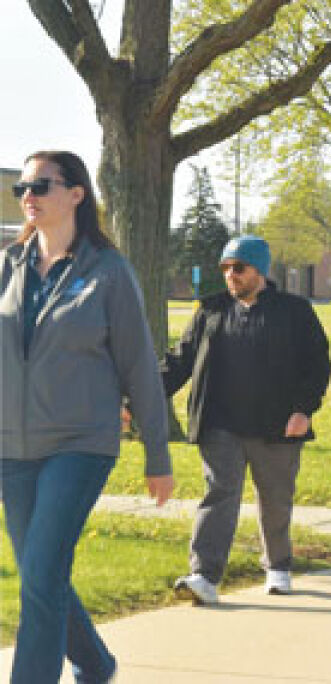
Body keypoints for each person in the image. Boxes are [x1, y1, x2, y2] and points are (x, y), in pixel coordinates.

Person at [1, 150, 174, 682]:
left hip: (80, 444)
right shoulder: (9, 264)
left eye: (42, 185)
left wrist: (158, 455)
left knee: (42, 574)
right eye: (22, 188)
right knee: (39, 574)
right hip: (11, 448)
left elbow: (139, 365)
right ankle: (96, 663)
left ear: (77, 194)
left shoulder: (108, 272)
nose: (29, 195)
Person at [162, 235, 331, 605]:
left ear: (260, 270)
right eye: (225, 268)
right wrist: (140, 399)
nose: (230, 275)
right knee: (220, 493)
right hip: (220, 424)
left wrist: (304, 410)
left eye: (239, 268)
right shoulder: (211, 311)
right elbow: (180, 361)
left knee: (275, 498)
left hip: (278, 424)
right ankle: (204, 576)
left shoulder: (294, 311)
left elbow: (317, 365)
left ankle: (278, 567)